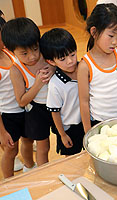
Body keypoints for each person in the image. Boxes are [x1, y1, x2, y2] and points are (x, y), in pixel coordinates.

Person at [2, 17, 55, 168]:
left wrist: (53, 67)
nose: (32, 56)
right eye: (24, 53)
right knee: (42, 146)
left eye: (35, 49)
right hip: (36, 110)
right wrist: (37, 84)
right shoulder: (16, 70)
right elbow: (21, 101)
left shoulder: (46, 55)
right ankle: (40, 172)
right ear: (11, 51)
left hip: (56, 105)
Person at [78, 4, 117, 133]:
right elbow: (84, 102)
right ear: (94, 32)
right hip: (102, 124)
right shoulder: (85, 66)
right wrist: (88, 132)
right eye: (111, 36)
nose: (115, 42)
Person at [40, 28, 85, 156]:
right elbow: (55, 112)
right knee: (70, 159)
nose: (70, 61)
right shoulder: (55, 84)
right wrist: (63, 135)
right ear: (51, 61)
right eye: (62, 59)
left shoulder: (84, 68)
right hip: (68, 128)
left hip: (86, 122)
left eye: (72, 54)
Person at [0, 17, 30, 178]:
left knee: (27, 140)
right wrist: (2, 132)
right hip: (7, 115)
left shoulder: (8, 52)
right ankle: (8, 182)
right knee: (11, 150)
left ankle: (28, 167)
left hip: (23, 108)